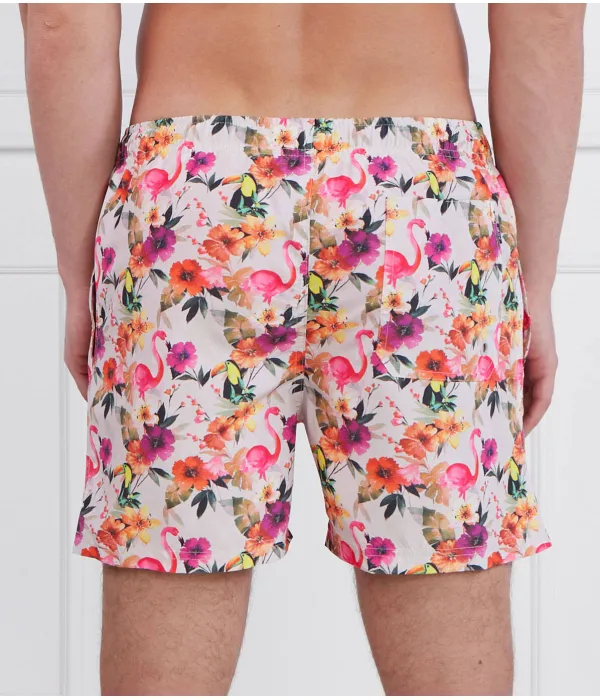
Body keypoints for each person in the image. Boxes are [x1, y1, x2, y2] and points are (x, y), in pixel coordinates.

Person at [20, 3, 585, 695]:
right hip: (418, 190)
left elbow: (60, 17)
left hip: (194, 192)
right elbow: (546, 14)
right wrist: (535, 283)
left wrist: (83, 275)